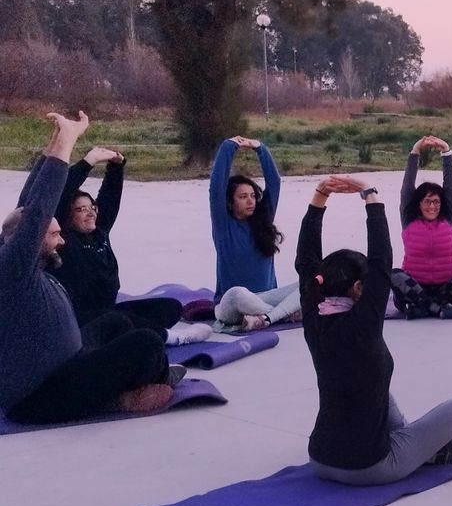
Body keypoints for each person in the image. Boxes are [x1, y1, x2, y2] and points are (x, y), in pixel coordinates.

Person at [297, 175, 452, 484]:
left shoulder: (314, 315)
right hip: (371, 468)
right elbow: (382, 260)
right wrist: (371, 196)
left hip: (319, 458)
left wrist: (320, 196)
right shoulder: (364, 323)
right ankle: (423, 451)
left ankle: (422, 447)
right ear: (358, 288)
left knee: (379, 388)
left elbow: (306, 260)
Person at [2, 112, 180, 423]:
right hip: (41, 394)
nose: (61, 241)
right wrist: (69, 144)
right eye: (55, 234)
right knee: (147, 343)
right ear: (30, 239)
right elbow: (40, 205)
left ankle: (127, 384)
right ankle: (124, 394)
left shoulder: (25, 263)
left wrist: (55, 141)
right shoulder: (14, 267)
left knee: (116, 323)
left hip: (69, 360)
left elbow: (29, 200)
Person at [43, 145, 210, 343]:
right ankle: (175, 339)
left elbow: (110, 197)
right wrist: (89, 161)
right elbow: (61, 192)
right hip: (78, 318)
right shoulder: (65, 240)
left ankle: (131, 335)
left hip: (108, 309)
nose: (90, 213)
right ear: (68, 216)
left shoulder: (100, 230)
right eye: (81, 209)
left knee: (171, 307)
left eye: (92, 207)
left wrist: (116, 167)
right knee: (120, 320)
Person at [210, 135, 298, 330]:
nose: (250, 201)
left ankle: (268, 317)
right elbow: (216, 188)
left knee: (308, 284)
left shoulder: (263, 221)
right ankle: (281, 314)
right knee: (237, 294)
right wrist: (228, 146)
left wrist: (260, 148)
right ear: (230, 202)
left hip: (265, 299)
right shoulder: (223, 226)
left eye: (252, 196)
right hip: (233, 305)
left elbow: (274, 182)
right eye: (242, 197)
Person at [390, 135, 452, 319]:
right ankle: (440, 309)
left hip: (444, 288)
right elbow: (407, 188)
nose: (432, 206)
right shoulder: (409, 219)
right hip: (415, 288)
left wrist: (446, 151)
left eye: (436, 202)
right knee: (394, 275)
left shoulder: (449, 219)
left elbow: (451, 189)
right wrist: (415, 152)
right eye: (427, 202)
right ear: (419, 204)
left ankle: (423, 309)